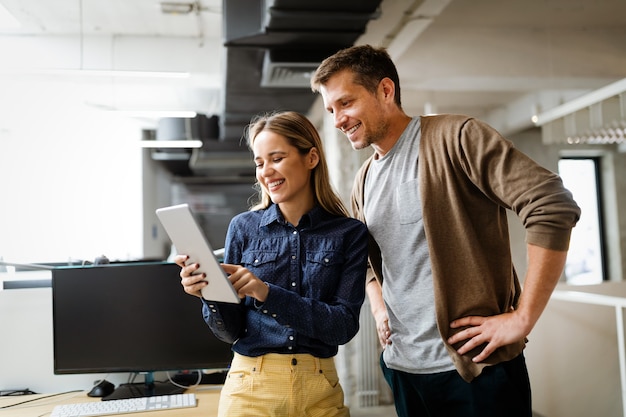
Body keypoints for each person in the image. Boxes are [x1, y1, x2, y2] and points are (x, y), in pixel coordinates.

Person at [310, 45, 581, 417]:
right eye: (331, 110)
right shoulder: (365, 179)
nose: (338, 119)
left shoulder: (457, 137)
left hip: (475, 371)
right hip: (405, 371)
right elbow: (368, 262)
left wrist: (523, 318)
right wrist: (378, 307)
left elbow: (551, 204)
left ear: (385, 91)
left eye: (346, 103)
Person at [175, 110, 368, 417]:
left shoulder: (349, 233)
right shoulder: (243, 228)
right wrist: (208, 292)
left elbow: (342, 327)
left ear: (311, 158)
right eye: (259, 162)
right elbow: (231, 330)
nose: (266, 171)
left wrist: (267, 293)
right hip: (251, 386)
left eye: (276, 158)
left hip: (320, 389)